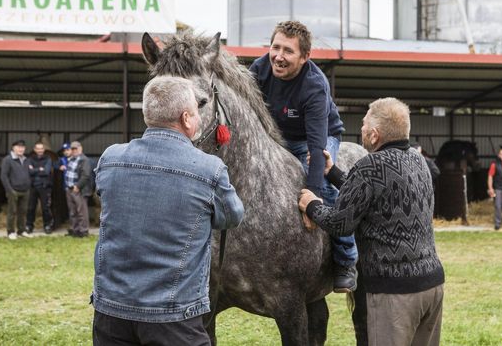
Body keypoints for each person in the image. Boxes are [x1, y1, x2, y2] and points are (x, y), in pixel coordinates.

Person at [92, 76, 244, 345]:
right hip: (174, 316)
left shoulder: (110, 158)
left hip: (111, 310)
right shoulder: (209, 169)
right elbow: (232, 216)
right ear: (186, 118)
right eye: (197, 113)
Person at [299, 98, 445, 346]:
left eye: (364, 124)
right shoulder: (419, 161)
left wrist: (312, 205)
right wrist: (332, 172)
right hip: (432, 285)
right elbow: (374, 196)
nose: (361, 129)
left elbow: (340, 224)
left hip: (395, 294)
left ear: (375, 135)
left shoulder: (369, 166)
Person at [249, 20, 358, 292]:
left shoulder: (314, 86)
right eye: (275, 47)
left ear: (305, 57)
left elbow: (318, 148)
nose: (279, 56)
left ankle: (346, 260)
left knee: (325, 182)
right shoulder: (258, 70)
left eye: (288, 51)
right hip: (275, 137)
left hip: (315, 139)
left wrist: (313, 196)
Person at [0, 139, 32, 240]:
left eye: (22, 147)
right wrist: (9, 190)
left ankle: (21, 230)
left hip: (25, 190)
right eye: (18, 147)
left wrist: (28, 185)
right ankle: (10, 232)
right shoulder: (8, 160)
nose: (21, 149)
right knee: (12, 211)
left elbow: (28, 173)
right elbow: (3, 176)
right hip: (13, 190)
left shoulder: (26, 159)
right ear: (13, 148)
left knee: (23, 211)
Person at [64, 141, 92, 238]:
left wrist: (78, 186)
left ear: (81, 149)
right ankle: (75, 230)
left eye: (76, 148)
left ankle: (83, 231)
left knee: (81, 212)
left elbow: (86, 175)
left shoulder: (84, 160)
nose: (74, 150)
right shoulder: (71, 159)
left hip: (79, 190)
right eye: (72, 149)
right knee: (72, 211)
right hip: (69, 188)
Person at [26, 142, 54, 234]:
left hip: (44, 186)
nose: (40, 150)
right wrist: (39, 169)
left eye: (41, 149)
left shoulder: (48, 159)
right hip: (33, 186)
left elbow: (46, 171)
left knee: (45, 208)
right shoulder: (30, 159)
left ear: (43, 149)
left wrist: (34, 169)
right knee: (31, 207)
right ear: (34, 149)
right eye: (38, 149)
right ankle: (29, 225)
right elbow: (29, 171)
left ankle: (47, 225)